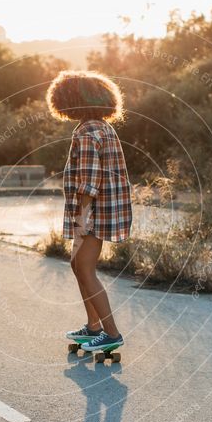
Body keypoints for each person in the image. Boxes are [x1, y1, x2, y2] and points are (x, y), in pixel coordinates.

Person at [46, 70, 132, 354]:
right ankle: (93, 327)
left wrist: (82, 220)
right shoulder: (103, 127)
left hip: (94, 212)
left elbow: (89, 181)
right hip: (101, 211)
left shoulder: (87, 132)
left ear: (71, 101)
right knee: (77, 265)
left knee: (84, 267)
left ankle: (111, 333)